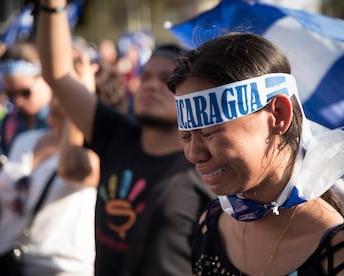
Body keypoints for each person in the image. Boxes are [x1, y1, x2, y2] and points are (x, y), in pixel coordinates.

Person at [166, 32, 344, 275]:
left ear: (278, 116)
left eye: (210, 132)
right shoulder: (211, 223)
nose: (194, 154)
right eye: (186, 136)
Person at [36, 1, 214, 275]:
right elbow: (57, 74)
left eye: (168, 80)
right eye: (146, 77)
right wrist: (53, 7)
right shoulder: (117, 135)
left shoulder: (208, 169)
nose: (152, 85)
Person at [0, 96, 99, 275]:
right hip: (7, 262)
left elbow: (71, 167)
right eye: (56, 94)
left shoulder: (92, 157)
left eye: (66, 95)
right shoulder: (25, 140)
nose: (57, 102)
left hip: (59, 269)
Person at [0, 42, 52, 156]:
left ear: (44, 78)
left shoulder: (60, 121)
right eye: (10, 94)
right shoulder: (9, 122)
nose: (18, 101)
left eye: (25, 92)